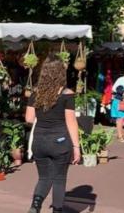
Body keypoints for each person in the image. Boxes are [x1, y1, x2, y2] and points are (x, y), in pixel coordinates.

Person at [25, 58, 80, 213]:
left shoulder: (35, 92)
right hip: (60, 141)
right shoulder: (67, 94)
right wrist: (76, 146)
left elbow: (29, 118)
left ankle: (35, 205)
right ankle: (57, 210)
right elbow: (71, 121)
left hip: (39, 141)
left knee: (44, 177)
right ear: (61, 73)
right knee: (59, 179)